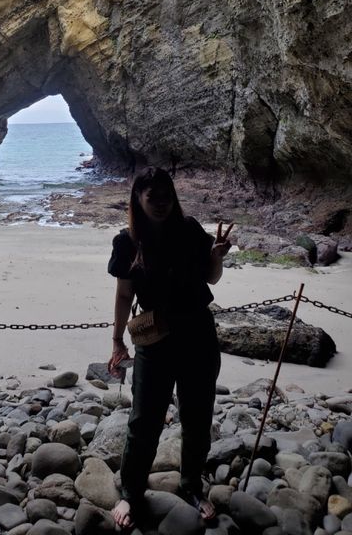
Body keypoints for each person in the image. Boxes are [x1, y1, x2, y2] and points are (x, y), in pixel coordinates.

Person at [107, 166, 233, 528]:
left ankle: (192, 485)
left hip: (197, 332)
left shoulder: (189, 230)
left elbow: (210, 278)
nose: (161, 203)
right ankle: (131, 492)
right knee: (144, 419)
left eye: (166, 196)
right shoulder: (128, 241)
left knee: (197, 415)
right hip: (155, 338)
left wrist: (217, 257)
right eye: (152, 197)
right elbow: (124, 293)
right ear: (138, 199)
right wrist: (117, 339)